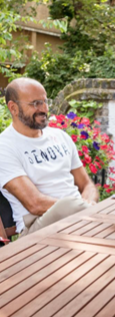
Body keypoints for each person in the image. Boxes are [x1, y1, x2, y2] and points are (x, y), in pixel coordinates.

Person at [0, 77, 98, 237]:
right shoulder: (4, 147)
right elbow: (35, 204)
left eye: (45, 102)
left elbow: (87, 184)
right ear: (13, 108)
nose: (44, 109)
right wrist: (79, 207)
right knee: (70, 204)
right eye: (35, 103)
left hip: (77, 216)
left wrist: (87, 203)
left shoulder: (60, 136)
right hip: (35, 226)